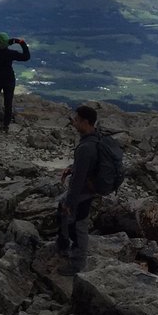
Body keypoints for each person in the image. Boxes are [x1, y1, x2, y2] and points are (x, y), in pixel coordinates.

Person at [57, 105, 100, 275]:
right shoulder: (94, 138)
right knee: (63, 209)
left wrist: (70, 202)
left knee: (78, 226)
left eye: (76, 120)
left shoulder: (86, 148)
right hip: (87, 189)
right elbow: (83, 168)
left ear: (86, 122)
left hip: (83, 193)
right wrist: (72, 167)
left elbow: (78, 180)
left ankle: (76, 264)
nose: (73, 123)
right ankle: (63, 245)